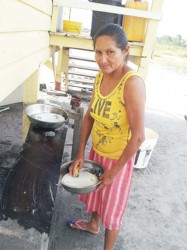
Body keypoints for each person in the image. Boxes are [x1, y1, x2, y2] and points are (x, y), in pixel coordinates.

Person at [69, 23, 146, 250]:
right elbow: (90, 116)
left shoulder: (132, 83)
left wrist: (113, 172)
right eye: (98, 52)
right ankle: (93, 225)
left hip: (118, 159)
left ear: (126, 50)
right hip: (97, 151)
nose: (103, 59)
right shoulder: (100, 77)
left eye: (110, 52)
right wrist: (81, 152)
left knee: (112, 208)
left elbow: (138, 137)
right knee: (96, 195)